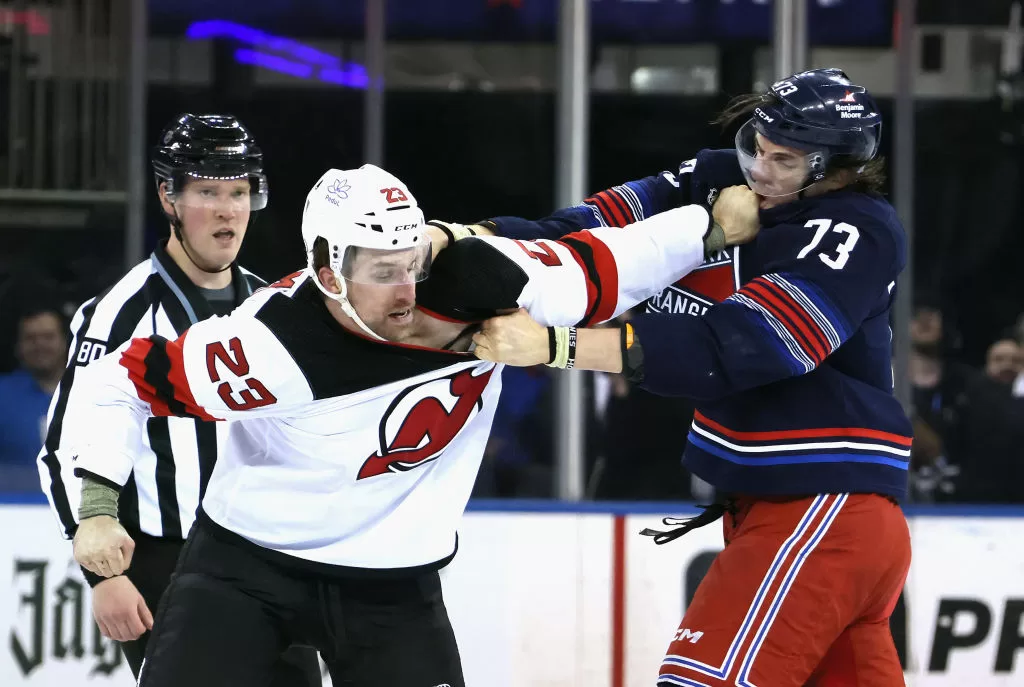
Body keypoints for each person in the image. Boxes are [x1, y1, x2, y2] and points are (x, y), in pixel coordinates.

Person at [65, 163, 760, 687]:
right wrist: (97, 507)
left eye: (412, 264)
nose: (406, 291)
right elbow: (116, 378)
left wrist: (710, 228)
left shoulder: (488, 280)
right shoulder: (266, 346)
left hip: (392, 588)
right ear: (327, 269)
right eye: (381, 272)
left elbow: (607, 262)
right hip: (245, 572)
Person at [472, 68, 914, 685]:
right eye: (755, 146)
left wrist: (556, 345)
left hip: (821, 509)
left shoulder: (853, 230)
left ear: (834, 167)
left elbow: (746, 347)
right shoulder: (717, 177)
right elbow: (593, 228)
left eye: (783, 159)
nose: (759, 168)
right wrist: (473, 239)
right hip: (796, 510)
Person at [35, 113, 321, 684]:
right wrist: (104, 576)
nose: (227, 210)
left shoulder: (273, 307)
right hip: (168, 562)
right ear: (169, 197)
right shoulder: (121, 311)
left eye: (239, 192)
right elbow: (65, 446)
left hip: (269, 557)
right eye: (208, 192)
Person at [0, 304, 68, 488]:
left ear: (65, 341)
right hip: (14, 509)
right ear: (18, 346)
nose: (40, 345)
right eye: (30, 338)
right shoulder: (2, 395)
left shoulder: (92, 392)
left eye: (48, 337)